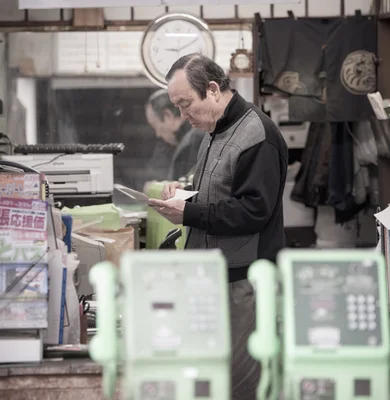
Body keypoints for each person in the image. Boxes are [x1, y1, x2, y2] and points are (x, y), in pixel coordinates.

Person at [148, 53, 288, 399]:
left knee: (241, 383)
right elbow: (220, 192)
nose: (183, 115)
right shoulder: (213, 130)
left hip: (242, 282)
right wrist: (184, 194)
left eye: (186, 104)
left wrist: (188, 213)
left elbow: (253, 211)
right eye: (177, 106)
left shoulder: (257, 135)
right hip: (211, 277)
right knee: (212, 381)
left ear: (212, 89)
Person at [145, 89, 204, 181]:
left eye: (155, 126)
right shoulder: (189, 140)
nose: (157, 134)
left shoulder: (193, 143)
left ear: (168, 116)